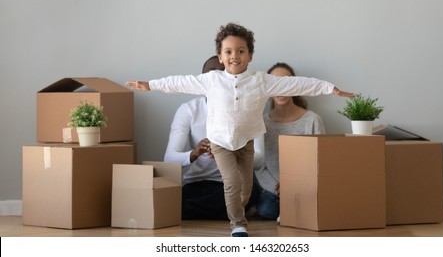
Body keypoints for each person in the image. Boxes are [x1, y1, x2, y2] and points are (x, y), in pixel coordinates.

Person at [125, 22, 354, 237]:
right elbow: (179, 82)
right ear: (221, 56)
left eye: (241, 51)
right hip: (220, 143)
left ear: (250, 55)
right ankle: (238, 224)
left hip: (246, 143)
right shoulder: (211, 80)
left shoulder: (261, 81)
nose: (235, 56)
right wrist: (151, 85)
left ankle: (238, 210)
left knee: (246, 189)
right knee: (232, 182)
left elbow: (297, 83)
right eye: (229, 51)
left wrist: (329, 88)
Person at [164, 55, 262, 220]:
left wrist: (229, 153)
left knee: (250, 192)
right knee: (174, 197)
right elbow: (169, 159)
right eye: (211, 74)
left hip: (228, 184)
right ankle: (228, 212)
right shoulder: (188, 110)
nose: (217, 79)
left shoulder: (248, 108)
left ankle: (183, 210)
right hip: (195, 183)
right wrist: (195, 153)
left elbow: (260, 160)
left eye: (222, 73)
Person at [254, 62, 326, 220]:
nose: (281, 89)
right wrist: (279, 187)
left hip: (306, 186)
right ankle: (296, 211)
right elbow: (260, 167)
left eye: (286, 82)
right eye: (274, 83)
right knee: (266, 209)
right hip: (275, 190)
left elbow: (321, 161)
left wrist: (296, 185)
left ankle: (296, 210)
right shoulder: (261, 123)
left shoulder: (312, 120)